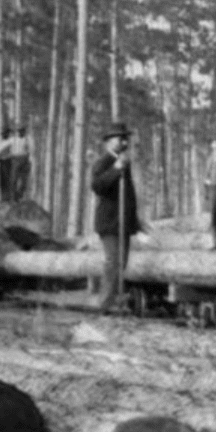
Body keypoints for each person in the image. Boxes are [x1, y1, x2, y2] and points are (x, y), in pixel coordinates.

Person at [91, 122, 140, 311]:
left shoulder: (124, 162)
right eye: (121, 139)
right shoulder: (103, 162)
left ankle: (116, 300)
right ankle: (104, 304)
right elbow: (97, 187)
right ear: (110, 142)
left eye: (125, 139)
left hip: (123, 222)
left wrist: (134, 221)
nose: (124, 142)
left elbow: (128, 195)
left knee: (122, 262)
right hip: (109, 222)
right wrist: (115, 169)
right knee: (113, 261)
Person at [9, 125, 33, 202]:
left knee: (24, 181)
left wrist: (30, 161)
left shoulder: (28, 139)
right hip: (15, 159)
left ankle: (19, 195)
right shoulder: (13, 139)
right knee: (14, 179)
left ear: (24, 131)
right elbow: (6, 147)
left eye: (22, 131)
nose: (20, 132)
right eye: (19, 131)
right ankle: (14, 197)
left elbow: (32, 151)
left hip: (24, 160)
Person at [0, 128, 17, 204]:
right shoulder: (1, 143)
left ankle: (10, 198)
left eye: (4, 133)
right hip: (1, 162)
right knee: (2, 181)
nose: (2, 135)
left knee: (8, 179)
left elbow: (13, 153)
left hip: (8, 162)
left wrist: (5, 157)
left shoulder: (11, 142)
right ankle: (3, 198)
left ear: (7, 134)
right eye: (2, 134)